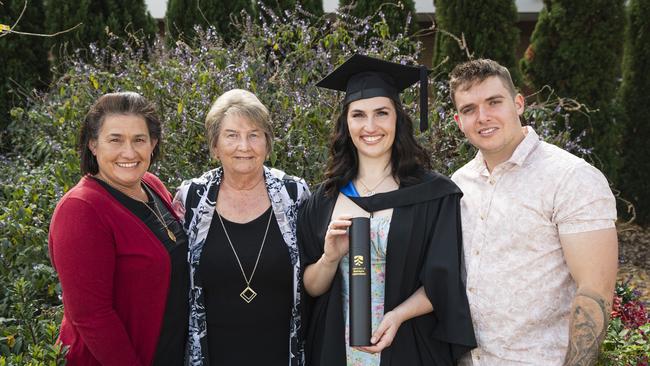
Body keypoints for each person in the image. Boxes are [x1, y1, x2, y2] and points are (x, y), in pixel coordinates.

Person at [299, 54, 476, 366]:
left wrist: (398, 315)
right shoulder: (323, 199)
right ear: (346, 123)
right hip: (336, 349)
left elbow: (443, 281)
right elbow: (311, 287)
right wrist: (330, 257)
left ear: (398, 118)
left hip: (408, 343)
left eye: (381, 113)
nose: (370, 127)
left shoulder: (433, 195)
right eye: (358, 115)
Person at [449, 59, 618, 365]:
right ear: (458, 121)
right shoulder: (459, 184)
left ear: (518, 103)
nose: (483, 117)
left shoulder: (571, 178)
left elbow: (596, 289)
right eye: (469, 109)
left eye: (494, 102)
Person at [48, 92, 189, 365]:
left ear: (153, 144)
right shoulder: (81, 209)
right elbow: (92, 317)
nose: (129, 152)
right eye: (115, 139)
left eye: (139, 140)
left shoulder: (152, 185)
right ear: (93, 144)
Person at [173, 89, 310, 366]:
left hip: (282, 351)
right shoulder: (192, 198)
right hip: (213, 352)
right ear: (215, 146)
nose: (244, 146)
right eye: (232, 135)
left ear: (267, 144)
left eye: (254, 135)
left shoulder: (294, 194)